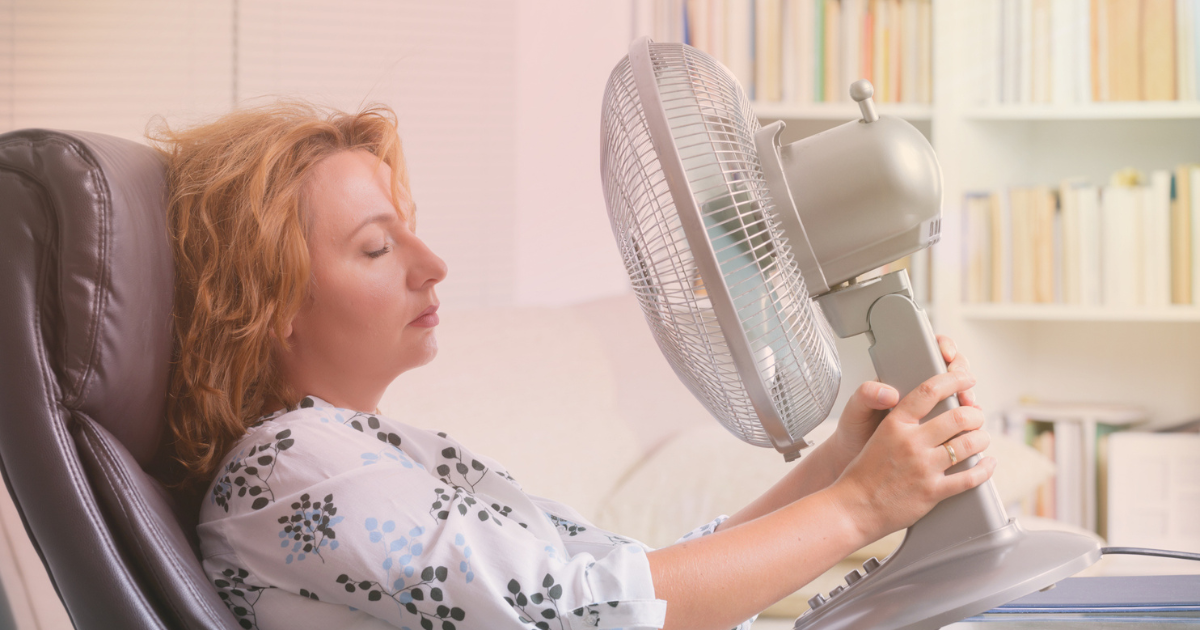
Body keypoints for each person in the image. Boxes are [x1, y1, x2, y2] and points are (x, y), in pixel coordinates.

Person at [156, 101, 994, 630]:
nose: (432, 262)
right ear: (267, 303)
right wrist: (858, 509)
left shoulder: (364, 452)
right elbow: (593, 617)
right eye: (377, 247)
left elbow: (624, 578)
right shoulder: (296, 468)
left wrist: (837, 471)